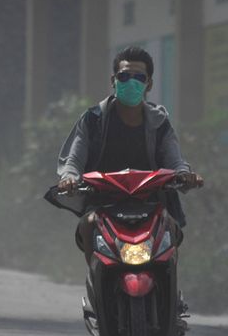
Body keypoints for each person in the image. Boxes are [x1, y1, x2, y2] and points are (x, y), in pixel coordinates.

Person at [57, 46, 203, 261]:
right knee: (88, 225)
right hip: (102, 204)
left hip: (151, 204)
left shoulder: (159, 123)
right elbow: (74, 159)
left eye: (139, 77)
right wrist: (69, 178)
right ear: (113, 80)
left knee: (171, 228)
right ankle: (96, 285)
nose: (131, 82)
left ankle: (170, 292)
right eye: (124, 76)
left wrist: (185, 175)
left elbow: (175, 159)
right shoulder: (93, 119)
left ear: (149, 83)